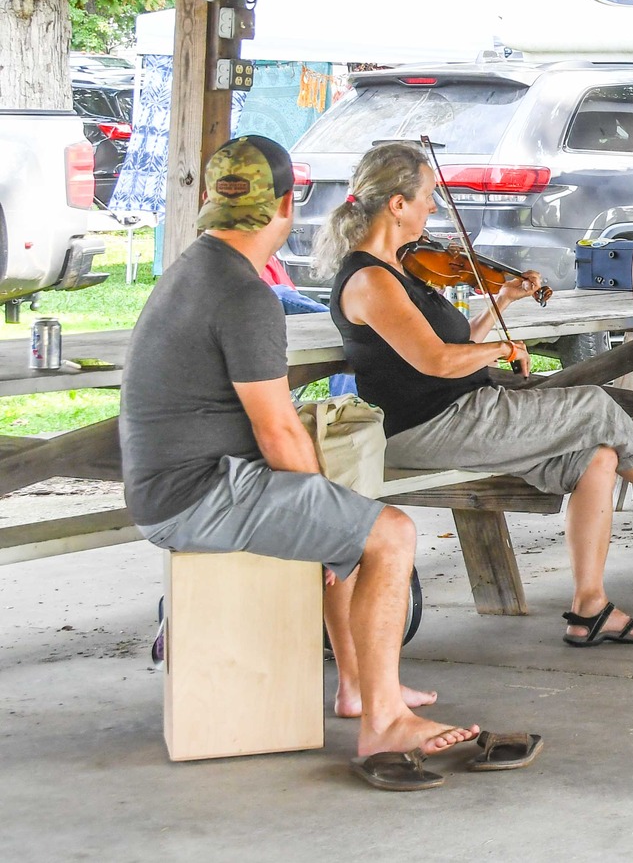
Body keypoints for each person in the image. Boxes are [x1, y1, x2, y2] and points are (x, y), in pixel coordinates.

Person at [120, 137, 535, 792]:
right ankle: (385, 719)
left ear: (210, 200)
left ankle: (362, 691)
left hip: (176, 484)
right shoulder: (244, 294)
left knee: (352, 515)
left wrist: (331, 516)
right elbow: (277, 427)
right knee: (389, 532)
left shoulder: (195, 268)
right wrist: (335, 524)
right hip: (198, 494)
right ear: (287, 204)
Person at [320, 141, 633, 643]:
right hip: (428, 425)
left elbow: (455, 344)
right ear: (397, 204)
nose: (434, 206)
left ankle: (590, 609)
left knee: (596, 457)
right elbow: (437, 362)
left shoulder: (401, 269)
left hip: (464, 412)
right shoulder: (369, 279)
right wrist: (501, 350)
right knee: (596, 404)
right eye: (428, 196)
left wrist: (501, 304)